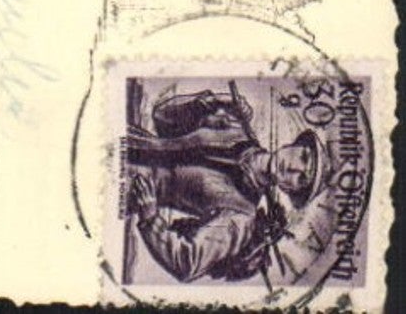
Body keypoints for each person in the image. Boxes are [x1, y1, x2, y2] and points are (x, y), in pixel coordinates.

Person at [125, 88, 321, 283]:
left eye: (301, 178)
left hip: (124, 187)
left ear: (291, 189)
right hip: (125, 141)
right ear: (292, 145)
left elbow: (187, 263)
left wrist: (150, 219)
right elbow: (162, 116)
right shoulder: (238, 130)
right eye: (303, 156)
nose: (294, 168)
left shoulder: (241, 216)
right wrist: (211, 102)